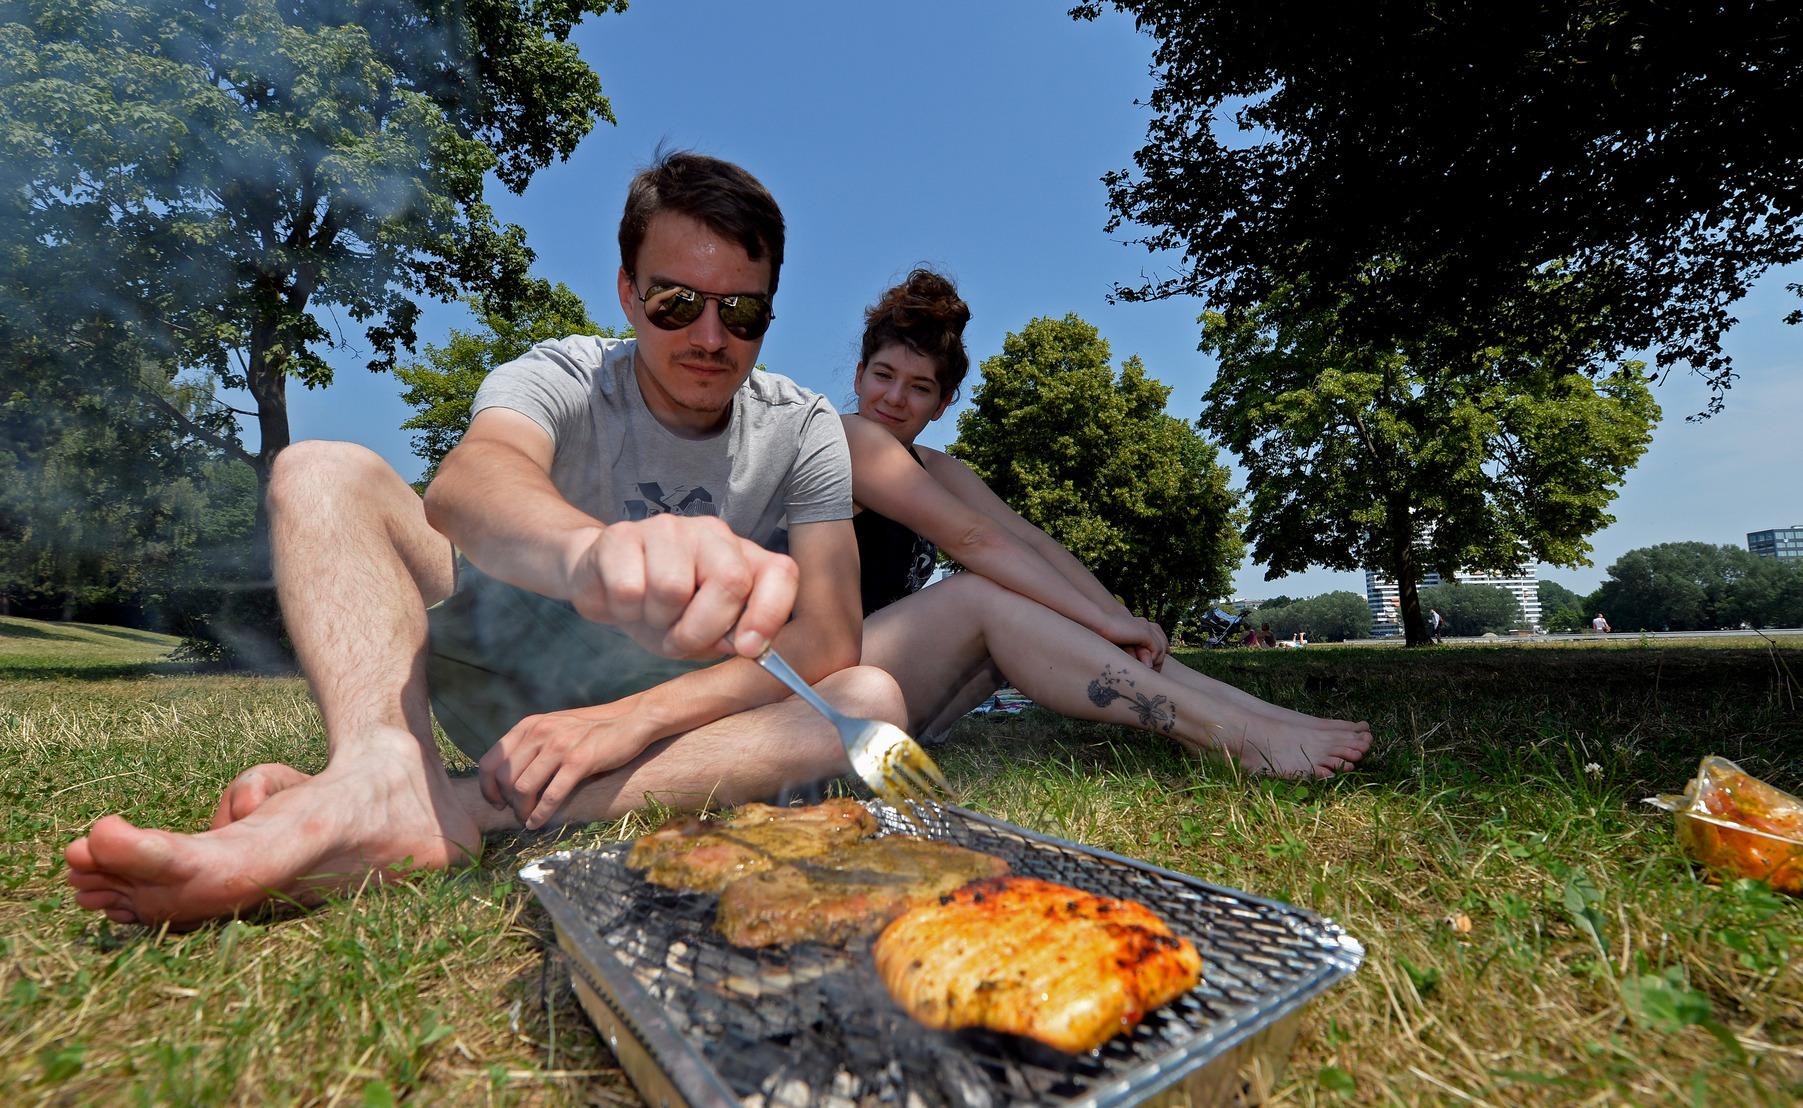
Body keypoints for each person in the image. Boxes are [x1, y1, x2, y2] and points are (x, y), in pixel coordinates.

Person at [65, 152, 901, 927]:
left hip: (659, 719)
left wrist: (630, 718)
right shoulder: (564, 373)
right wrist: (589, 554)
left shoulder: (804, 426)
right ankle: (381, 765)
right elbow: (470, 483)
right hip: (503, 662)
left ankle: (442, 809)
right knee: (319, 467)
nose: (710, 338)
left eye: (742, 311)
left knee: (869, 701)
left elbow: (827, 637)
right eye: (676, 302)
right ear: (626, 292)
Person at [841, 270, 1370, 779]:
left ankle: (1258, 718)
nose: (893, 398)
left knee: (1038, 587)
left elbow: (1031, 541)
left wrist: (1116, 617)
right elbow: (977, 541)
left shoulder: (933, 465)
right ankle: (1227, 735)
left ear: (941, 403)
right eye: (883, 376)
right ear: (859, 374)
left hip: (895, 685)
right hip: (826, 686)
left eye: (919, 387)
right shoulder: (847, 440)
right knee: (984, 592)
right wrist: (1104, 621)